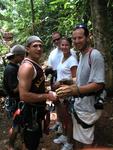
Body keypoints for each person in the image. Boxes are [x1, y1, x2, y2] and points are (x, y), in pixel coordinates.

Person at [56, 24, 105, 149]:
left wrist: (73, 91)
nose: (77, 41)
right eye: (74, 38)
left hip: (88, 107)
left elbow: (98, 84)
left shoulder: (94, 55)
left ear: (88, 37)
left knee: (86, 143)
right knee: (79, 141)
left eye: (80, 37)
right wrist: (68, 82)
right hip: (80, 105)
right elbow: (82, 80)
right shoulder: (81, 55)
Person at [18, 35, 57, 150]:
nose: (39, 48)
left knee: (34, 141)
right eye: (35, 46)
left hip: (36, 110)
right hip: (30, 112)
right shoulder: (27, 67)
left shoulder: (35, 64)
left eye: (41, 46)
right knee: (31, 143)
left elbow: (35, 86)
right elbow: (24, 95)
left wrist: (46, 90)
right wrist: (48, 95)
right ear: (27, 49)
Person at [47, 32, 77, 133]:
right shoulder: (54, 54)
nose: (57, 41)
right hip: (58, 81)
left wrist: (62, 81)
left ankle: (68, 137)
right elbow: (51, 67)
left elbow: (75, 75)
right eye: (54, 40)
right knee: (59, 107)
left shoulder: (71, 54)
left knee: (67, 113)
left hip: (67, 87)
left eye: (58, 39)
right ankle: (60, 126)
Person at [53, 37, 78, 150]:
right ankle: (64, 135)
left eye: (66, 45)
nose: (64, 47)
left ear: (70, 46)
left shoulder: (72, 60)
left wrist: (62, 82)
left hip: (68, 93)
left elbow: (76, 79)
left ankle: (69, 142)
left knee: (69, 118)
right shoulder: (62, 58)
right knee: (62, 117)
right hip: (60, 93)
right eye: (62, 45)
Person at [3, 44, 26, 150]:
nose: (23, 58)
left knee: (21, 123)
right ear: (16, 56)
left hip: (18, 100)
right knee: (16, 126)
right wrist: (25, 81)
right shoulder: (10, 69)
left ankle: (23, 140)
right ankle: (10, 145)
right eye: (22, 56)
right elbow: (15, 89)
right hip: (14, 101)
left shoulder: (15, 66)